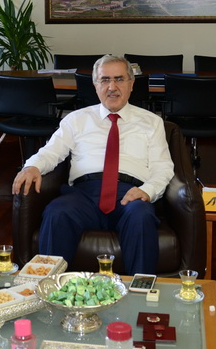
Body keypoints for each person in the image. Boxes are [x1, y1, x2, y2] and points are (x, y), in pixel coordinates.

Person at [12, 54, 174, 274]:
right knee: (57, 212)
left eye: (119, 79)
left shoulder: (151, 123)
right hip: (84, 194)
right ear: (95, 85)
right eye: (105, 80)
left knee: (141, 216)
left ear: (131, 84)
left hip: (130, 194)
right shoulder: (76, 119)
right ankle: (49, 286)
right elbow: (51, 152)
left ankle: (141, 290)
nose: (112, 87)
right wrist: (33, 166)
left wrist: (147, 191)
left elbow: (163, 168)